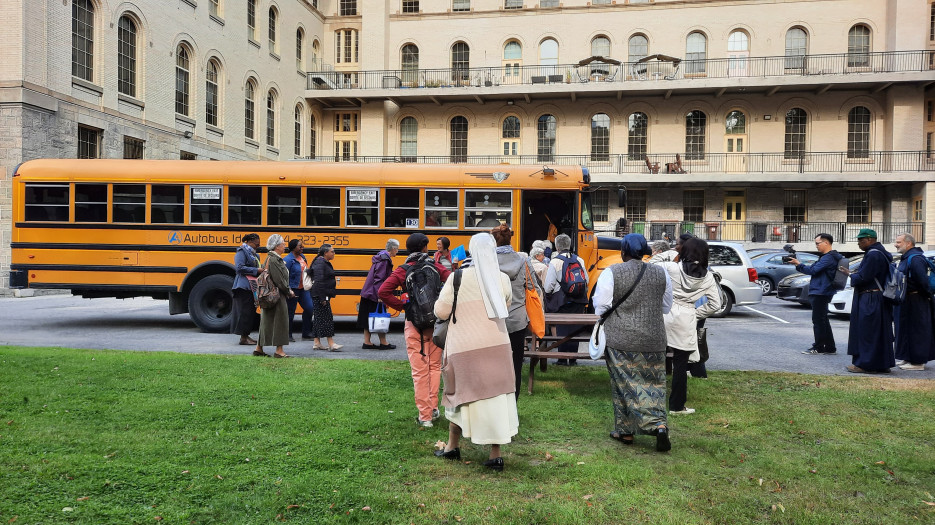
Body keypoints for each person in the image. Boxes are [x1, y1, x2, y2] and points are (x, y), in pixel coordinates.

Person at [433, 233, 518, 471]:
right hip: (498, 346)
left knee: (458, 396)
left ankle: (452, 446)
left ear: (470, 251)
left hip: (464, 347)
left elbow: (441, 311)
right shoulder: (502, 279)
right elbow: (506, 306)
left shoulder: (457, 277)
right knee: (497, 399)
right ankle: (496, 454)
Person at [593, 234, 673, 451]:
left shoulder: (612, 272)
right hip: (654, 339)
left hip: (621, 339)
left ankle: (630, 430)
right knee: (655, 385)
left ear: (623, 251)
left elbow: (601, 306)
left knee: (623, 385)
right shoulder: (661, 272)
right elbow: (666, 306)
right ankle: (660, 424)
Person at [379, 233, 452, 427]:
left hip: (414, 324)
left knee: (419, 372)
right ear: (424, 248)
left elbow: (383, 291)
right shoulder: (435, 266)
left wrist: (404, 307)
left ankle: (425, 417)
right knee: (435, 367)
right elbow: (452, 281)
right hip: (435, 323)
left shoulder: (403, 270)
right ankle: (434, 408)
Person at [662, 237, 721, 415]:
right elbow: (715, 304)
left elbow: (651, 263)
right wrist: (694, 314)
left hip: (664, 313)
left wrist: (670, 253)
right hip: (686, 317)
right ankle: (676, 406)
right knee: (680, 364)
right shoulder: (708, 277)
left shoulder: (671, 268)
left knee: (655, 358)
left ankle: (647, 398)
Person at [491, 224, 543, 400]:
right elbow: (534, 288)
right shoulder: (523, 260)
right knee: (515, 364)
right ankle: (512, 403)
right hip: (517, 319)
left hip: (491, 320)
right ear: (510, 238)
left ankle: (494, 402)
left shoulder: (486, 261)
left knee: (492, 364)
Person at [840, 228, 895, 374]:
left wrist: (850, 275)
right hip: (879, 297)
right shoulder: (882, 254)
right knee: (880, 332)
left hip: (871, 298)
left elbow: (864, 277)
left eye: (861, 240)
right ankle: (883, 364)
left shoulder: (873, 255)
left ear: (870, 239)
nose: (858, 243)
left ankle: (865, 364)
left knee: (867, 332)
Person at [789, 233, 843, 355]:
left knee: (818, 320)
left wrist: (798, 264)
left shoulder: (828, 258)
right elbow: (813, 269)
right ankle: (829, 347)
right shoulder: (829, 257)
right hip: (823, 290)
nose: (816, 246)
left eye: (818, 243)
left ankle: (818, 347)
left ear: (826, 243)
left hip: (821, 291)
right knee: (823, 320)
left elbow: (813, 270)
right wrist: (800, 264)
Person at [543, 233, 589, 365]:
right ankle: (573, 359)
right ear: (569, 245)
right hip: (578, 300)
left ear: (557, 246)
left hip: (562, 301)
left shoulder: (555, 262)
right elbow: (586, 279)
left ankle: (562, 359)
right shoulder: (579, 260)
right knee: (575, 329)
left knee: (562, 329)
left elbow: (548, 286)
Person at [893, 233, 935, 371]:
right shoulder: (907, 258)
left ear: (908, 243)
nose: (896, 244)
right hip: (908, 299)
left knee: (917, 331)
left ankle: (917, 362)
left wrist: (924, 296)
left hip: (916, 300)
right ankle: (908, 358)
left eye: (898, 242)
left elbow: (922, 282)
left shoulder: (916, 259)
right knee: (906, 330)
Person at [254, 234, 293, 358]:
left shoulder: (270, 258)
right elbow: (279, 280)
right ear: (277, 246)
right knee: (281, 321)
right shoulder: (275, 259)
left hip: (268, 294)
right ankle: (279, 350)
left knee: (266, 321)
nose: (284, 246)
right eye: (282, 244)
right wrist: (288, 291)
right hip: (276, 295)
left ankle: (259, 348)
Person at [359, 239, 399, 350]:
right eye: (397, 249)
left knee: (370, 317)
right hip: (374, 293)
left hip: (368, 292)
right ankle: (383, 342)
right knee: (379, 316)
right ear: (393, 248)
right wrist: (380, 295)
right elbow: (380, 279)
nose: (398, 251)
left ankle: (367, 342)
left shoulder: (380, 257)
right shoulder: (385, 260)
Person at [309, 244, 343, 351]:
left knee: (319, 319)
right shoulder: (320, 263)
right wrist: (323, 298)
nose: (334, 253)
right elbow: (318, 281)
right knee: (327, 318)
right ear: (325, 253)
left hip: (319, 294)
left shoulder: (321, 262)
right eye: (332, 251)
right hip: (321, 295)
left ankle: (317, 342)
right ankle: (331, 343)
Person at [231, 233, 262, 346]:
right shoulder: (242, 251)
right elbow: (239, 268)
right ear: (249, 241)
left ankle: (246, 335)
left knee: (250, 312)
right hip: (243, 286)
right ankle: (243, 337)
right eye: (256, 243)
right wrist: (256, 270)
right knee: (245, 312)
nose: (258, 245)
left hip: (252, 285)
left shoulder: (254, 255)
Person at [283, 239, 314, 343]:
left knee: (310, 308)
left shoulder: (303, 257)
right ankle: (287, 334)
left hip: (303, 289)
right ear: (293, 248)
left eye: (302, 246)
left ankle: (306, 332)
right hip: (293, 289)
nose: (302, 247)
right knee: (290, 312)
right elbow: (284, 276)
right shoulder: (287, 260)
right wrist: (288, 290)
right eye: (300, 246)